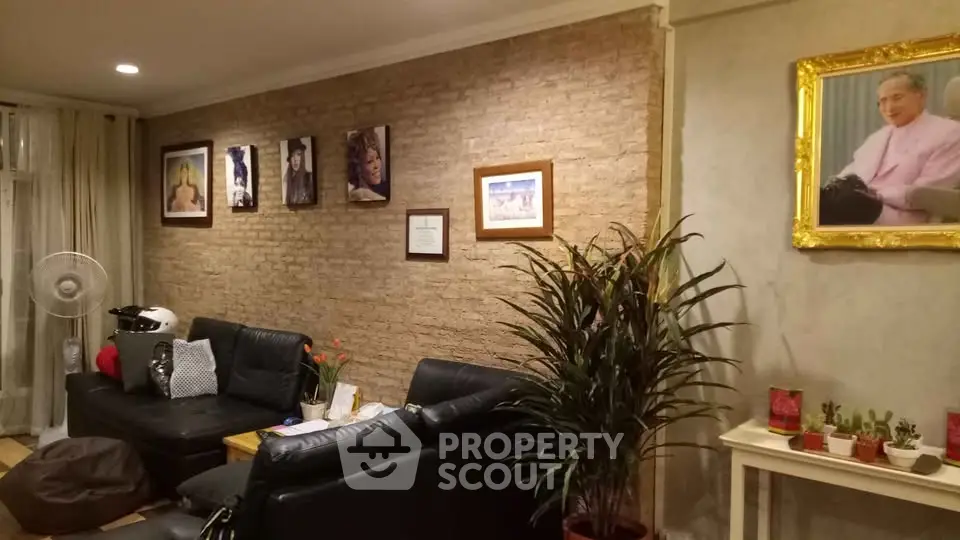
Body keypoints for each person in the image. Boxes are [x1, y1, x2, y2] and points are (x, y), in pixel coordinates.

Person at [830, 71, 960, 226]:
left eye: (897, 98)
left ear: (921, 96)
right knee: (814, 201)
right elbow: (846, 175)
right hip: (857, 204)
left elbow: (926, 192)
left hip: (902, 214)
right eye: (882, 101)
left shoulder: (950, 133)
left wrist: (873, 194)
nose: (889, 108)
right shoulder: (877, 137)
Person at [347, 129, 387, 202]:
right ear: (358, 167)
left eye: (377, 158)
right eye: (370, 161)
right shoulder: (353, 195)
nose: (376, 166)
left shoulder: (386, 189)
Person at [284, 138, 314, 205]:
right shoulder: (288, 181)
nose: (295, 159)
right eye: (292, 156)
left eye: (298, 154)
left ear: (302, 157)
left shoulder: (309, 178)